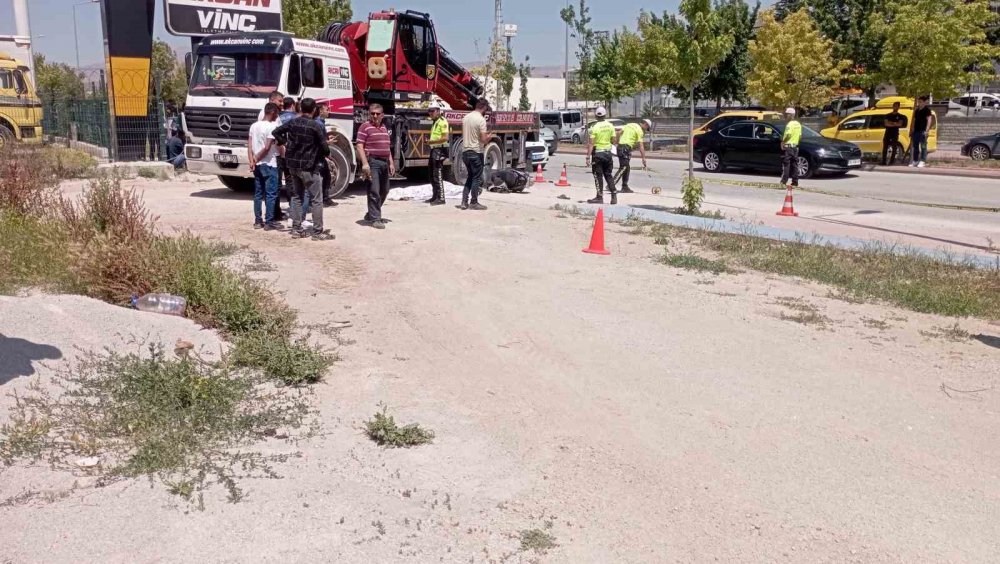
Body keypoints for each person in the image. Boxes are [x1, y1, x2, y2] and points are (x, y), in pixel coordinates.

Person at [272, 98, 334, 241]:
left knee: (297, 197)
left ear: (300, 109)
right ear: (313, 110)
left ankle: (296, 229)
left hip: (293, 165)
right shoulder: (315, 126)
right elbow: (324, 148)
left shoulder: (293, 122)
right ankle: (318, 232)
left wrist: (284, 142)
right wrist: (325, 152)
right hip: (309, 166)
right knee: (317, 200)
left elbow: (276, 132)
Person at [356, 102, 395, 229]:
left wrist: (391, 162)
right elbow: (360, 145)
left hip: (384, 162)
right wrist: (365, 163)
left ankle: (371, 213)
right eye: (372, 113)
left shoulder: (384, 128)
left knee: (385, 190)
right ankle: (375, 218)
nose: (374, 116)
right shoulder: (364, 127)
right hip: (373, 162)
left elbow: (387, 147)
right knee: (374, 190)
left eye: (377, 114)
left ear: (382, 115)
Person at [248, 102, 282, 231]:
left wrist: (252, 161)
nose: (277, 116)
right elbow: (267, 147)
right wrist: (257, 158)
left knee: (258, 193)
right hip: (269, 163)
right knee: (270, 194)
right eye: (277, 113)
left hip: (257, 165)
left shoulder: (253, 126)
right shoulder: (271, 127)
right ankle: (269, 221)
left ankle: (258, 221)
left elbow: (250, 145)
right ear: (272, 112)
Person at [460, 99, 491, 210]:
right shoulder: (481, 120)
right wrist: (489, 137)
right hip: (476, 152)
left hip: (465, 152)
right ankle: (474, 202)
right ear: (484, 108)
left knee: (470, 176)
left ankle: (464, 202)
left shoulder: (466, 118)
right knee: (476, 178)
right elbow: (483, 140)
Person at [585, 106, 617, 204]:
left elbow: (591, 144)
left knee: (598, 175)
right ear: (605, 115)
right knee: (608, 174)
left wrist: (588, 157)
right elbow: (614, 140)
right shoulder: (610, 126)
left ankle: (599, 197)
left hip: (598, 154)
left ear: (596, 116)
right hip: (608, 154)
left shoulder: (594, 127)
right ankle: (614, 195)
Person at [614, 119, 650, 193]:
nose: (646, 131)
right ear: (645, 125)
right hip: (625, 149)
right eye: (647, 129)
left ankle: (624, 186)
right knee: (624, 167)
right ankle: (611, 184)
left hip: (620, 147)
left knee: (626, 168)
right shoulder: (639, 131)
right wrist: (643, 158)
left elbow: (618, 133)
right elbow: (641, 146)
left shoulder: (630, 124)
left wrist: (617, 142)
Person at [426, 102, 450, 205]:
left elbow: (445, 138)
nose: (430, 113)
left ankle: (441, 198)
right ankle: (435, 196)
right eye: (429, 111)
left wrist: (431, 142)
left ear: (438, 111)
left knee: (437, 174)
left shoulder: (442, 121)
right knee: (432, 174)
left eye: (432, 111)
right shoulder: (435, 121)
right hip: (434, 149)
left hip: (440, 149)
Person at [909, 96, 934, 168]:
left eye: (920, 102)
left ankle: (922, 161)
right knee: (915, 146)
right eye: (918, 102)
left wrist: (927, 130)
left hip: (923, 131)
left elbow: (929, 120)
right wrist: (912, 129)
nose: (919, 103)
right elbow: (914, 121)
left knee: (923, 146)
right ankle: (915, 160)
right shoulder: (917, 111)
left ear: (924, 102)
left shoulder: (927, 110)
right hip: (916, 131)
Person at [780, 107, 802, 189]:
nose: (785, 116)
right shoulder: (798, 124)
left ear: (790, 115)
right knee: (795, 165)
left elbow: (788, 135)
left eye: (786, 114)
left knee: (786, 164)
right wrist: (796, 144)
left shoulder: (789, 124)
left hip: (788, 147)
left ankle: (783, 181)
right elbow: (800, 136)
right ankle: (795, 182)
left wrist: (783, 142)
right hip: (795, 147)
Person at [882, 101, 905, 166]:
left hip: (895, 133)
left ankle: (892, 161)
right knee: (885, 147)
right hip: (887, 133)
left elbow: (900, 124)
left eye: (897, 106)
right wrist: (895, 123)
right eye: (894, 105)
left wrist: (891, 123)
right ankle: (883, 161)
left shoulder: (900, 116)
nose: (895, 107)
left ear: (899, 107)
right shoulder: (888, 115)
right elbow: (886, 124)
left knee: (894, 147)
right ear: (893, 106)